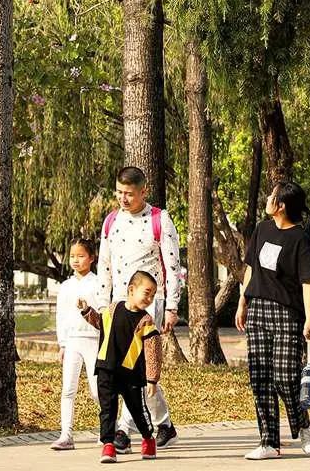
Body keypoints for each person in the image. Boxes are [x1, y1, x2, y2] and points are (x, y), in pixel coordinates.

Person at [97, 165, 181, 451]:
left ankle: (122, 430)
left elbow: (173, 266)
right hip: (119, 304)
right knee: (130, 368)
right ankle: (165, 425)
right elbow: (104, 265)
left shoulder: (161, 220)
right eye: (119, 193)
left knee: (134, 366)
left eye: (129, 194)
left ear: (143, 191)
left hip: (149, 304)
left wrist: (171, 306)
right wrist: (102, 304)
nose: (123, 198)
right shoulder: (111, 221)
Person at [236, 179, 310, 461]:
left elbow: (308, 282)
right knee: (260, 378)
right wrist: (242, 302)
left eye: (272, 196)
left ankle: (302, 422)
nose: (267, 200)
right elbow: (250, 268)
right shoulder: (262, 228)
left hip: (287, 314)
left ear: (280, 206)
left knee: (285, 376)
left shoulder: (299, 239)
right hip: (258, 310)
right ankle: (269, 442)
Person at [79, 269, 161, 464]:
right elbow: (100, 323)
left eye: (153, 295)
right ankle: (108, 445)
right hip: (106, 367)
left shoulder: (146, 321)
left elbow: (153, 352)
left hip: (131, 374)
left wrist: (152, 379)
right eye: (146, 292)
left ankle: (148, 438)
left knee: (137, 410)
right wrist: (86, 311)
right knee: (107, 408)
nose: (149, 298)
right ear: (131, 290)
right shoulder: (113, 309)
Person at [52, 236, 103, 451]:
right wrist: (62, 343)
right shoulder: (65, 286)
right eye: (72, 256)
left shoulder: (99, 283)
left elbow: (103, 314)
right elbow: (61, 315)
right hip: (72, 342)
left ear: (92, 258)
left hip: (93, 341)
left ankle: (106, 430)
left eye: (81, 256)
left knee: (97, 390)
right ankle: (66, 434)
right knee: (68, 390)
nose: (76, 260)